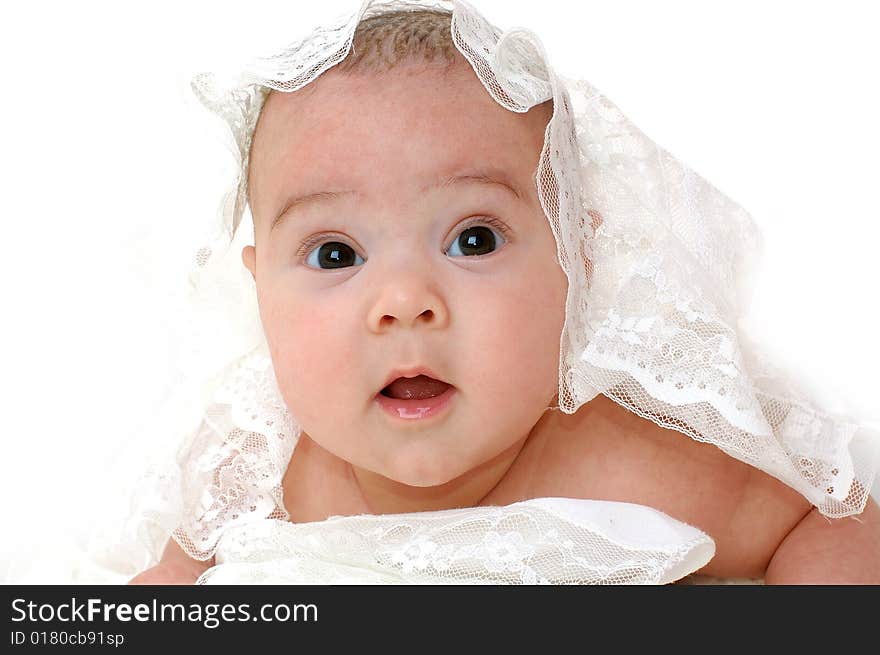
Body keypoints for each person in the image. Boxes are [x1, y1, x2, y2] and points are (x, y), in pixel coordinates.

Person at [128, 0, 879, 585]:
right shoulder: (259, 469)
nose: (404, 301)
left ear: (575, 265)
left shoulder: (631, 469)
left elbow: (834, 517)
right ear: (260, 292)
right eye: (335, 253)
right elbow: (165, 582)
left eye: (473, 239)